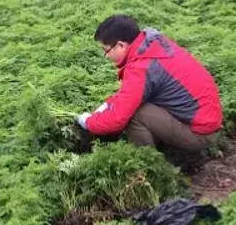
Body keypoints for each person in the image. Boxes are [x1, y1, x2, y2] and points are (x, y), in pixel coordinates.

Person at [76, 14, 223, 155]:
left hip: (200, 133)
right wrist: (109, 104)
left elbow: (117, 119)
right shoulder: (151, 43)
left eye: (105, 50)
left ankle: (146, 164)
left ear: (121, 45)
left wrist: (89, 122)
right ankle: (162, 145)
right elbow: (131, 94)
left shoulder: (142, 67)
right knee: (137, 105)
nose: (106, 56)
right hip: (206, 119)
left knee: (134, 115)